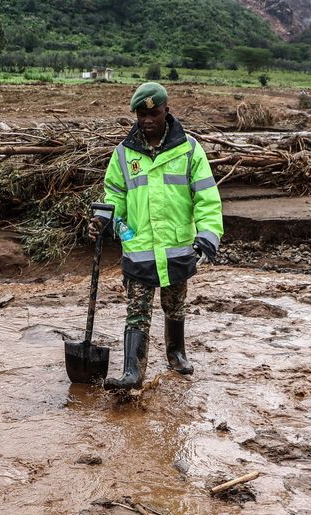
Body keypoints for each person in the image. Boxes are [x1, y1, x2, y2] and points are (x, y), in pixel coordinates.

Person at [88, 82, 223, 391]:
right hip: (139, 248)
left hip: (178, 247)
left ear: (166, 111)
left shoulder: (189, 149)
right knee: (136, 312)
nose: (147, 120)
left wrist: (207, 236)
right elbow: (114, 196)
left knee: (175, 305)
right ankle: (132, 372)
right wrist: (105, 220)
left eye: (154, 114)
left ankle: (176, 354)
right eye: (141, 115)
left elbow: (206, 198)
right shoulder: (124, 154)